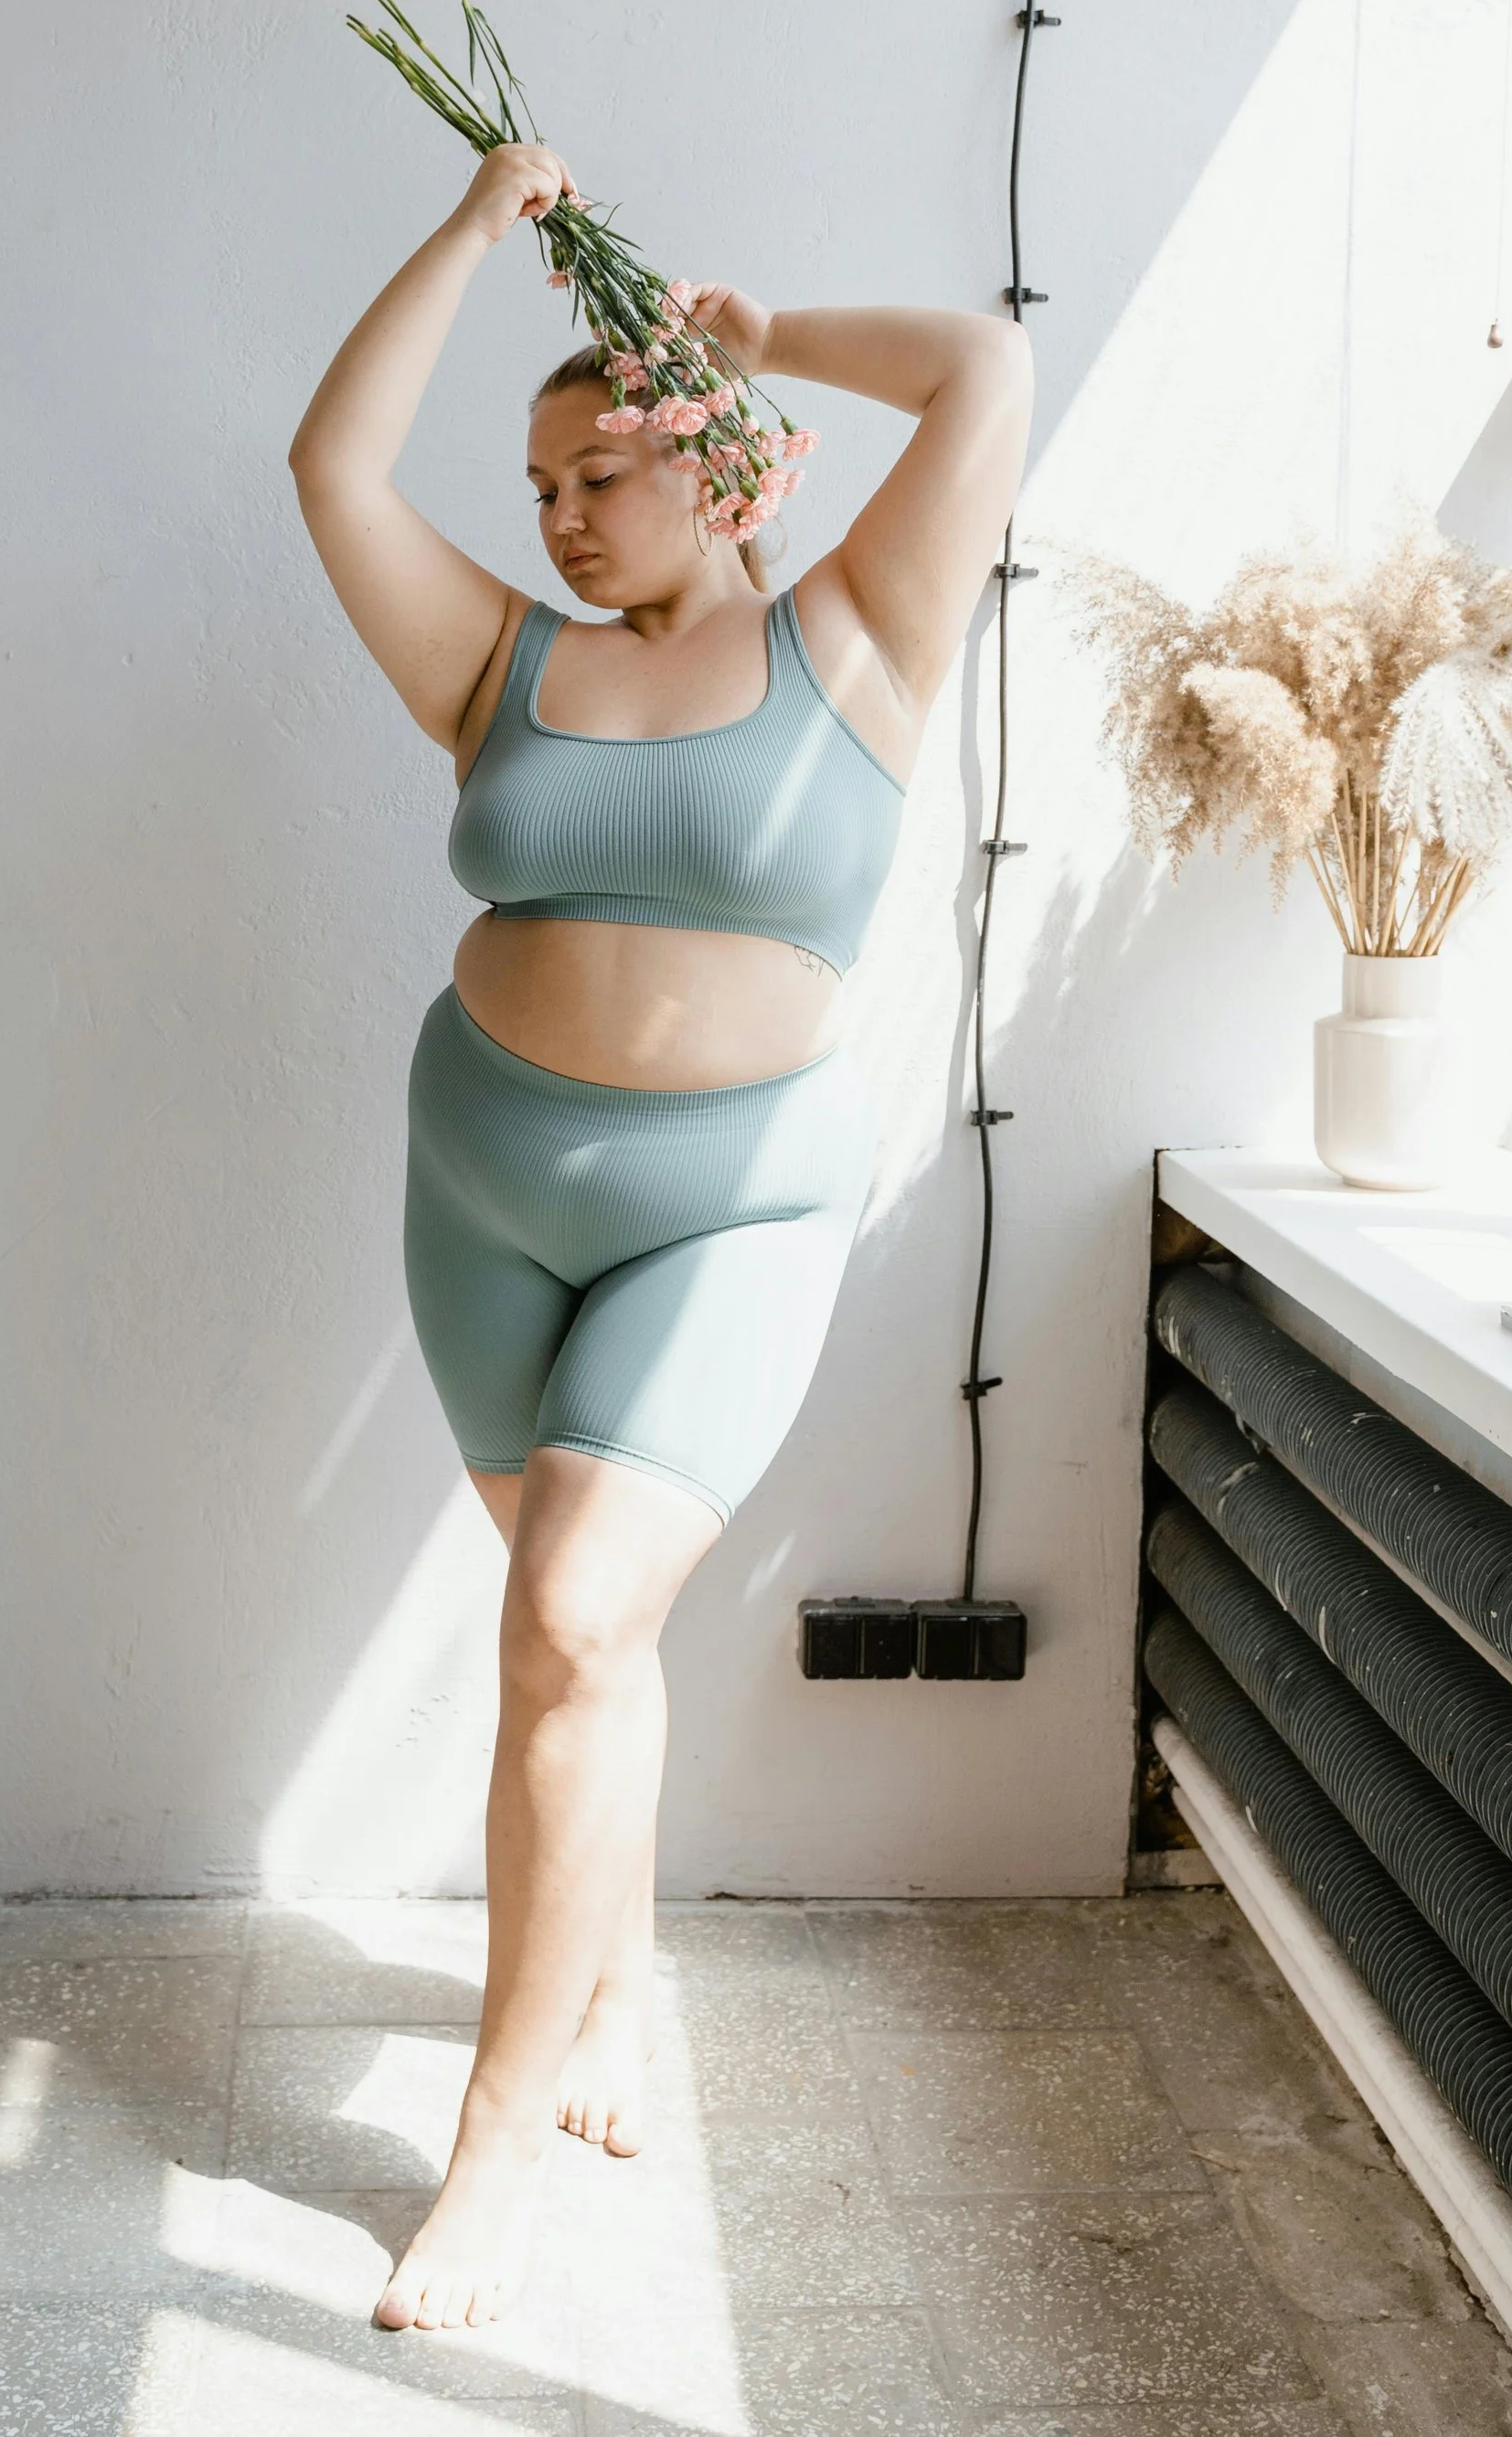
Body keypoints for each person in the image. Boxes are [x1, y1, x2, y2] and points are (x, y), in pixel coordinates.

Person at [289, 139, 1031, 2333]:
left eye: (598, 466)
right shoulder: (496, 663)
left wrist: (751, 332)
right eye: (536, 488)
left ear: (729, 464)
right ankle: (603, 1992)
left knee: (572, 1615)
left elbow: (983, 366)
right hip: (485, 1189)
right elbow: (332, 465)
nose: (558, 515)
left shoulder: (865, 636)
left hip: (736, 1202)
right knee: (576, 1647)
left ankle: (492, 2151)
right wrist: (467, 230)